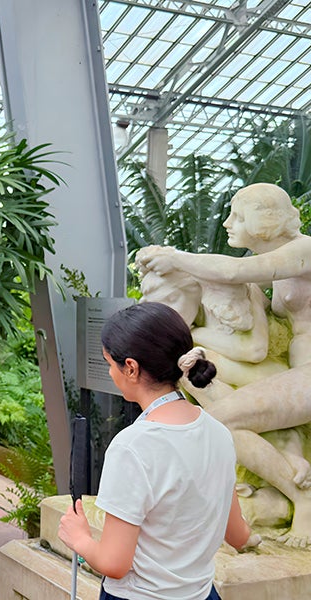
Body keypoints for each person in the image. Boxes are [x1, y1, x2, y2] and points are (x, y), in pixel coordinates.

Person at [137, 182, 311, 546]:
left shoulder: (305, 250)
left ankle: (302, 498)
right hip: (297, 373)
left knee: (219, 422)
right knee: (221, 414)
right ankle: (287, 469)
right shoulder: (276, 267)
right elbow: (234, 281)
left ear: (264, 221)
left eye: (237, 215)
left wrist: (176, 257)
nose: (228, 222)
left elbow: (233, 273)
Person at [58, 302, 251, 600]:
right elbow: (239, 536)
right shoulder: (219, 434)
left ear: (131, 368)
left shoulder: (132, 446)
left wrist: (79, 538)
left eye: (111, 363)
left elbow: (114, 563)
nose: (111, 372)